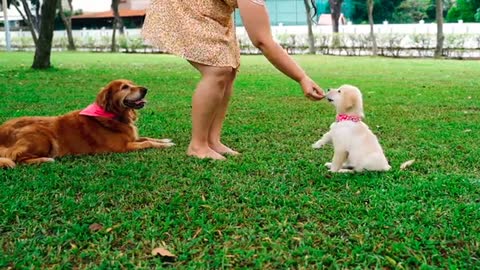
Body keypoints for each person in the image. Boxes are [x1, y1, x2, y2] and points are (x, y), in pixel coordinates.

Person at [142, 0, 325, 160]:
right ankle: (198, 146)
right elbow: (263, 41)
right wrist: (301, 77)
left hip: (214, 12)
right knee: (218, 69)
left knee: (229, 69)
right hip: (184, 7)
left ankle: (213, 140)